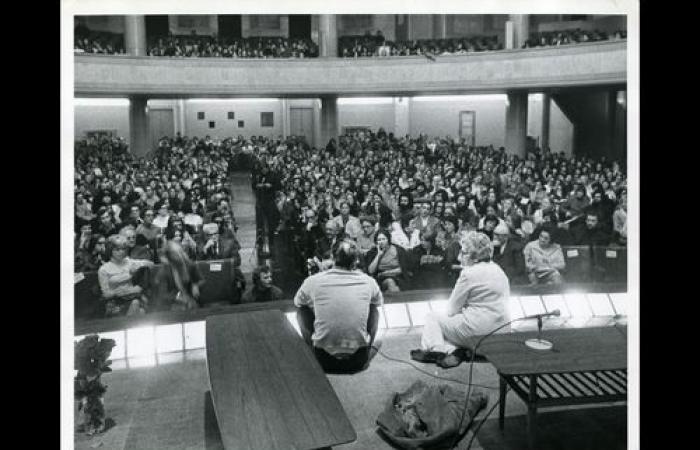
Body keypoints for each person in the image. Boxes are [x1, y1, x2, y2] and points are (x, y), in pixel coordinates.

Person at [411, 231, 511, 368]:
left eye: (463, 252)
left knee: (432, 317)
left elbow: (451, 309)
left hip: (477, 332)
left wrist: (462, 310)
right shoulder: (498, 269)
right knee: (451, 325)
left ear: (475, 256)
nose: (459, 257)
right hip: (502, 333)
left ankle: (441, 350)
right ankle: (457, 349)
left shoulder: (468, 273)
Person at [294, 240, 383, 373]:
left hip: (323, 360)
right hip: (356, 361)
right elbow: (378, 302)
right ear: (356, 261)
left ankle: (312, 353)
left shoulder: (313, 281)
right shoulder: (368, 281)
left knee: (301, 312)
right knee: (374, 310)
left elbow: (298, 302)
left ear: (332, 258)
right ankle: (364, 351)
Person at [97, 235, 155, 317]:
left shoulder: (128, 262)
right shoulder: (104, 269)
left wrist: (137, 267)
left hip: (133, 298)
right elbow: (106, 294)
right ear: (110, 250)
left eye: (123, 249)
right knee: (138, 307)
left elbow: (151, 264)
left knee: (138, 305)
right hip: (115, 302)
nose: (121, 252)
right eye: (117, 250)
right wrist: (127, 292)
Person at [151, 241, 204, 312]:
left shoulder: (190, 265)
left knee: (192, 307)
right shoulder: (164, 271)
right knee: (180, 308)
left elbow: (201, 280)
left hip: (189, 300)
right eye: (175, 253)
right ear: (169, 255)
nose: (179, 255)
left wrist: (196, 285)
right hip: (170, 304)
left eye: (180, 251)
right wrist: (178, 297)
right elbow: (162, 295)